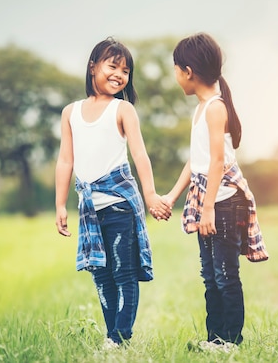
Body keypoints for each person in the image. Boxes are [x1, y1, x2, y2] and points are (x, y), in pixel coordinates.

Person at [54, 37, 171, 348]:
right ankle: (114, 337)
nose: (120, 74)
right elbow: (66, 159)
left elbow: (140, 155)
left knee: (123, 272)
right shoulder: (71, 112)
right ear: (93, 66)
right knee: (101, 275)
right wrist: (60, 205)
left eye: (126, 70)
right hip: (89, 209)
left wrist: (151, 195)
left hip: (119, 206)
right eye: (113, 66)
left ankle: (119, 337)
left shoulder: (123, 109)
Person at [162, 33, 269, 350]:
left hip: (223, 204)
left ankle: (231, 343)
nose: (176, 75)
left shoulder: (214, 109)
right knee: (210, 276)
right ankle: (216, 340)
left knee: (225, 275)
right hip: (210, 202)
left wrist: (207, 209)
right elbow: (196, 161)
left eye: (176, 69)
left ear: (189, 71)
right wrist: (171, 196)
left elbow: (218, 162)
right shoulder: (201, 109)